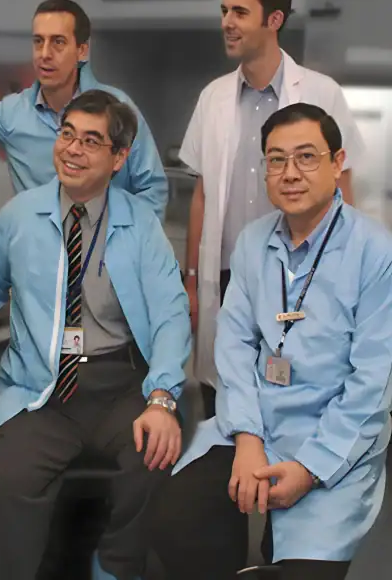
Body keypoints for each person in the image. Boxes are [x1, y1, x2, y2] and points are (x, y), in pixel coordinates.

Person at [0, 89, 192, 580]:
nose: (73, 149)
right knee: (7, 476)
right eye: (67, 135)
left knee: (154, 454)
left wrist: (162, 398)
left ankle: (116, 566)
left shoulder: (140, 225)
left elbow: (171, 314)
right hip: (43, 388)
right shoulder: (19, 217)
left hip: (119, 385)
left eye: (91, 141)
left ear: (119, 158)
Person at [153, 103, 392, 580]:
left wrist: (309, 469)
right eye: (276, 159)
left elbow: (373, 384)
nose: (290, 173)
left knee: (304, 567)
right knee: (176, 520)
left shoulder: (375, 251)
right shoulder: (252, 242)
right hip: (255, 422)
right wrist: (247, 438)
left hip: (332, 438)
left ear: (337, 162)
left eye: (306, 157)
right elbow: (234, 347)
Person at [180, 0, 364, 418]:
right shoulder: (213, 98)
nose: (227, 22)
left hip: (299, 279)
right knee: (223, 397)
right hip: (227, 278)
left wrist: (340, 279)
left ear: (274, 19)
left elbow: (342, 190)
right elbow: (202, 195)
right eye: (224, 11)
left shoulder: (321, 94)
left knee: (293, 397)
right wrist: (192, 282)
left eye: (240, 12)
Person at [0, 0, 168, 220]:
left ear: (82, 51)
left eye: (58, 42)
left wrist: (125, 242)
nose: (45, 54)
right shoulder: (13, 113)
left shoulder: (118, 108)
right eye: (38, 42)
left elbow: (153, 189)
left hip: (108, 250)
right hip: (38, 251)